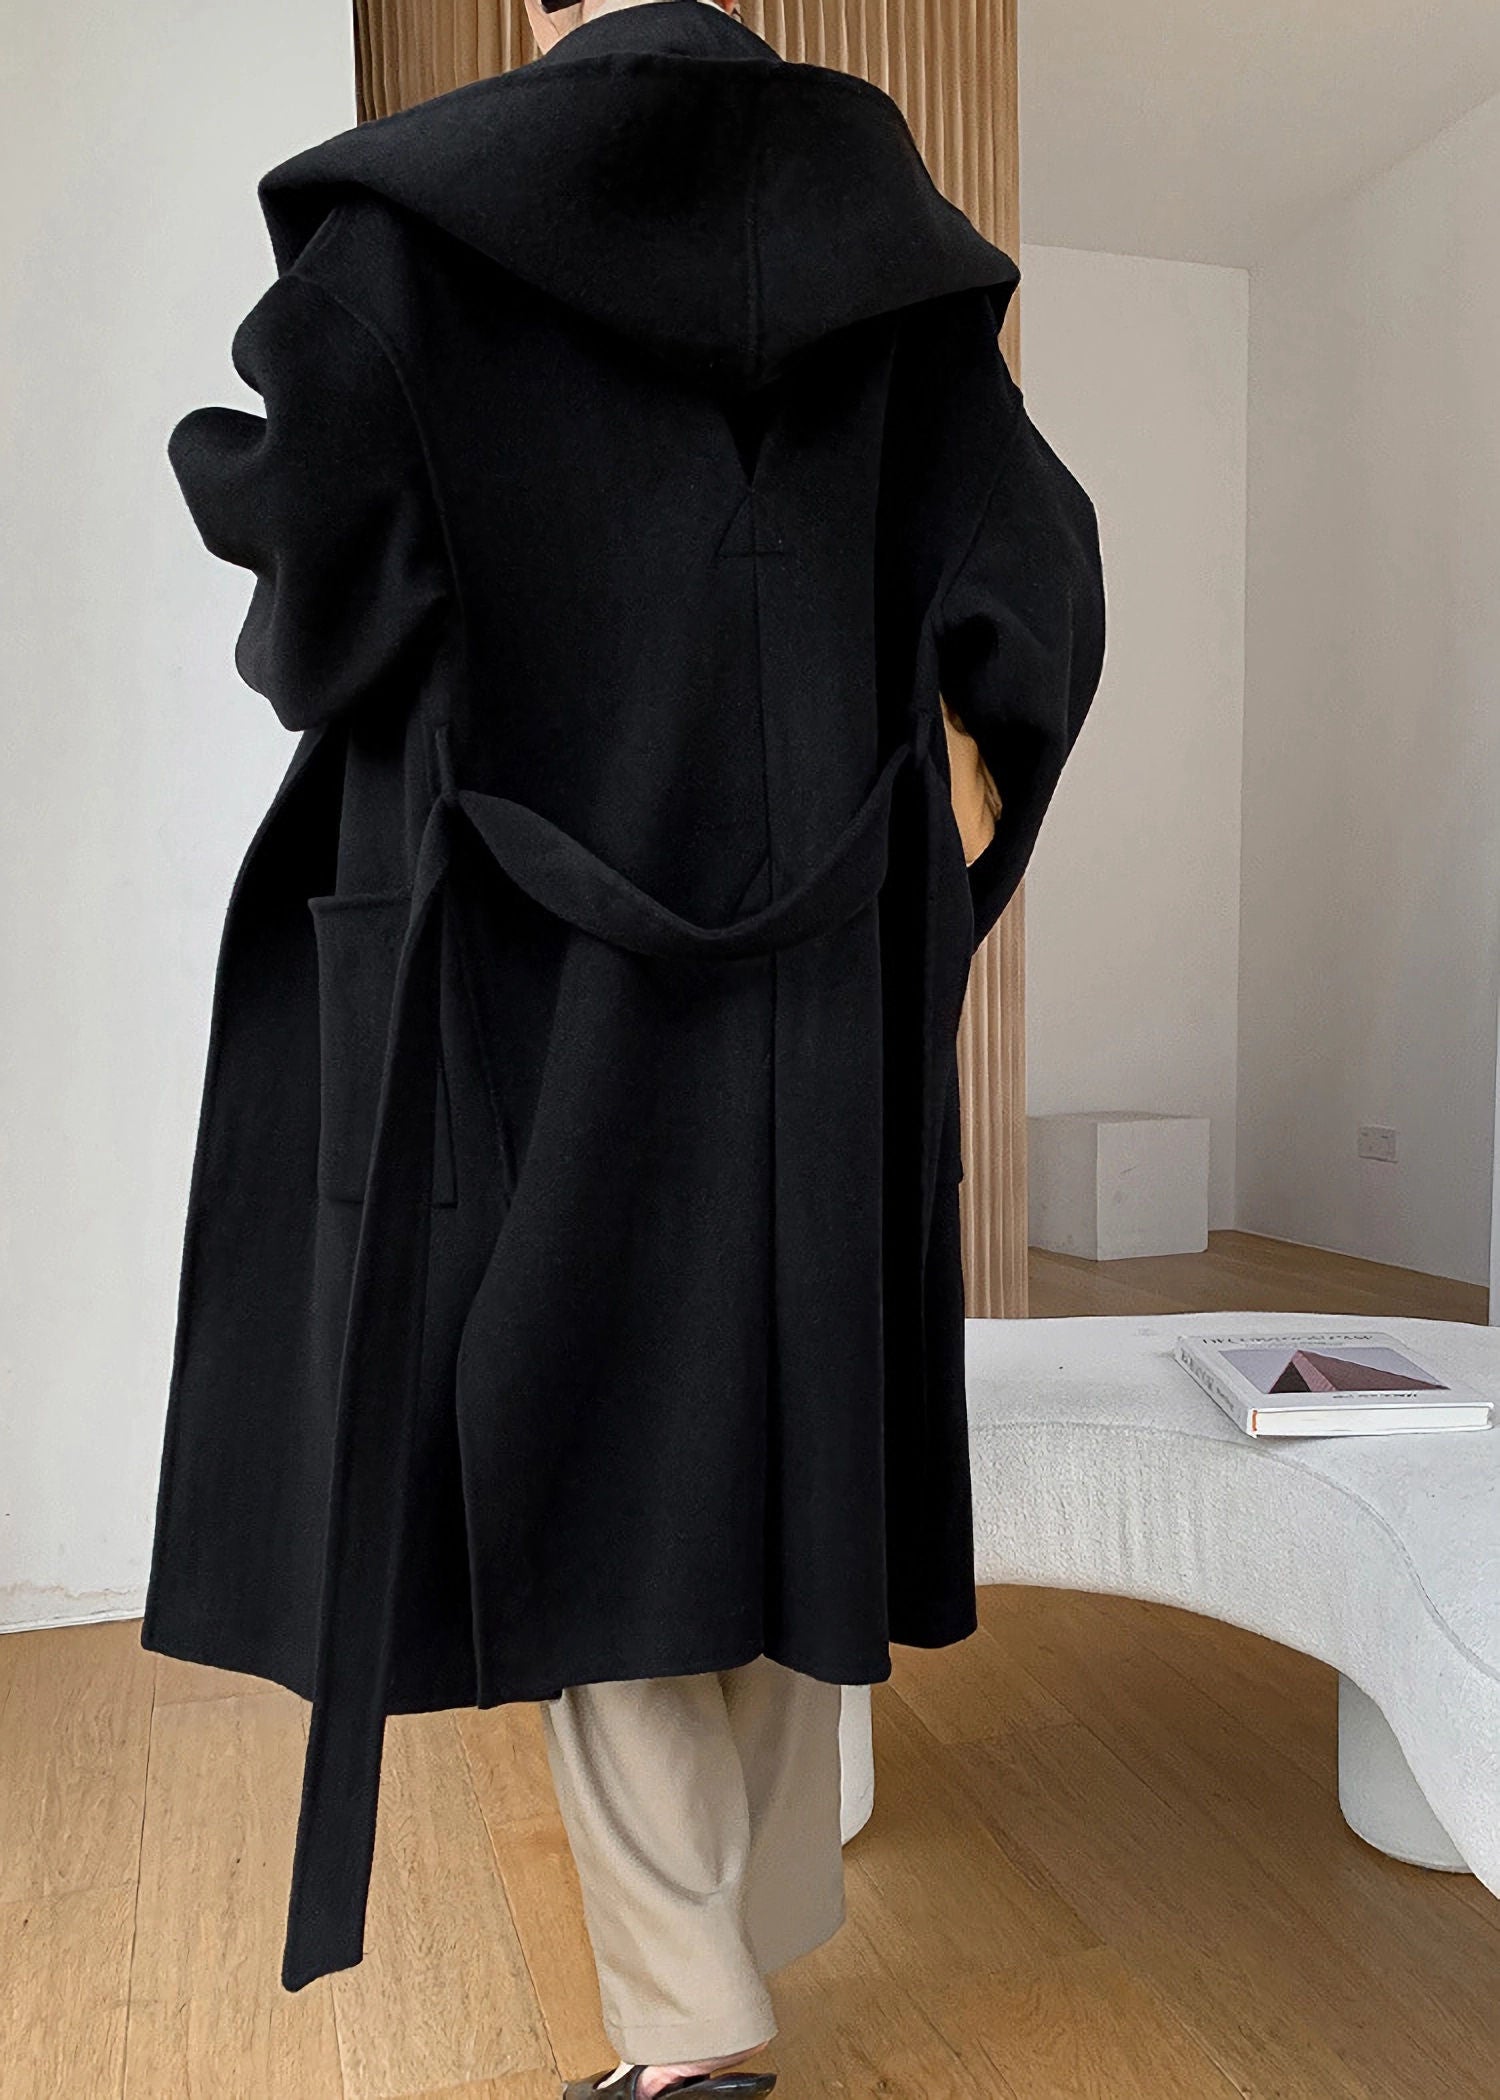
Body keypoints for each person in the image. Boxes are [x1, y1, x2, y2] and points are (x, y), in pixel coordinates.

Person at [139, 2, 1106, 2094]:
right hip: (826, 978)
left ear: (546, 10)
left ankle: (690, 2039)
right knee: (790, 1440)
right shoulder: (891, 247)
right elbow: (1032, 583)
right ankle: (735, 1961)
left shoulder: (419, 237)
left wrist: (255, 472)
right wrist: (943, 819)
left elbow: (312, 564)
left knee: (592, 1455)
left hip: (536, 967)